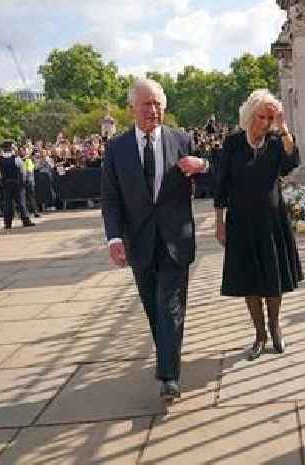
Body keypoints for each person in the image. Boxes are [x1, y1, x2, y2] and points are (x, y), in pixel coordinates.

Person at [101, 78, 210, 401]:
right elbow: (110, 198)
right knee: (154, 307)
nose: (153, 110)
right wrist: (113, 239)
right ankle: (167, 356)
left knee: (170, 305)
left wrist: (202, 165)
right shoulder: (116, 149)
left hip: (176, 239)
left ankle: (168, 375)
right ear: (132, 108)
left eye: (158, 104)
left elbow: (216, 179)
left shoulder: (182, 139)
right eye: (146, 104)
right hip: (139, 243)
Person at [214, 89, 303, 361]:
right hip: (241, 220)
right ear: (250, 115)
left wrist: (284, 127)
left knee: (272, 278)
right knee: (250, 280)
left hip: (272, 219)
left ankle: (275, 329)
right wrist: (219, 221)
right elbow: (222, 184)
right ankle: (260, 334)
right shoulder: (233, 144)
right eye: (261, 116)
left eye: (269, 118)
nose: (264, 122)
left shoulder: (277, 142)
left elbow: (291, 162)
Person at [0, 140, 35, 229]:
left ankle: (8, 223)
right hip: (18, 184)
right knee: (21, 203)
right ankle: (26, 221)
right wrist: (23, 182)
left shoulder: (1, 159)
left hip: (6, 184)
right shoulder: (16, 158)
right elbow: (22, 171)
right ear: (11, 148)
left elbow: (0, 173)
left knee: (8, 204)